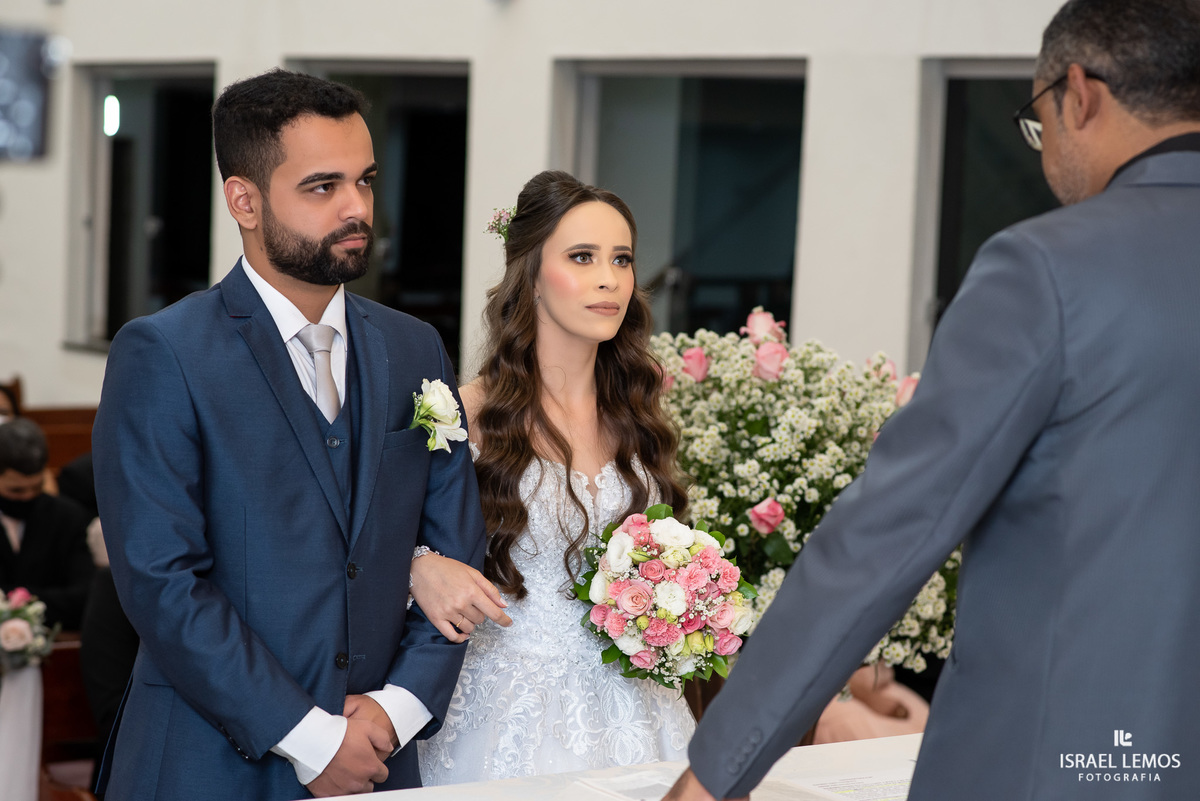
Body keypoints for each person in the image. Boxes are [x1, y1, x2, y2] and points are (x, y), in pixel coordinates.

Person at [665, 1, 1200, 799]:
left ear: (1079, 93)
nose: (1044, 148)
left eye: (1037, 118)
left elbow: (886, 535)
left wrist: (714, 773)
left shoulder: (1046, 269)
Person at [92, 69, 487, 800]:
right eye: (322, 186)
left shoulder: (415, 349)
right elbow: (161, 579)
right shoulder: (164, 353)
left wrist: (392, 714)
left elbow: (456, 553)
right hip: (204, 763)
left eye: (365, 180)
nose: (356, 207)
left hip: (377, 761)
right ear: (243, 199)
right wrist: (310, 737)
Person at [411, 170, 697, 784]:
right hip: (504, 713)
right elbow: (382, 545)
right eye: (582, 257)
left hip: (637, 713)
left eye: (621, 260)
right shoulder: (467, 415)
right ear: (532, 276)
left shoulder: (637, 416)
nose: (609, 279)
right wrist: (417, 565)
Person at [0, 418, 94, 629]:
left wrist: (9, 597)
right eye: (16, 491)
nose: (27, 497)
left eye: (36, 488)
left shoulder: (69, 517)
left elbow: (83, 597)